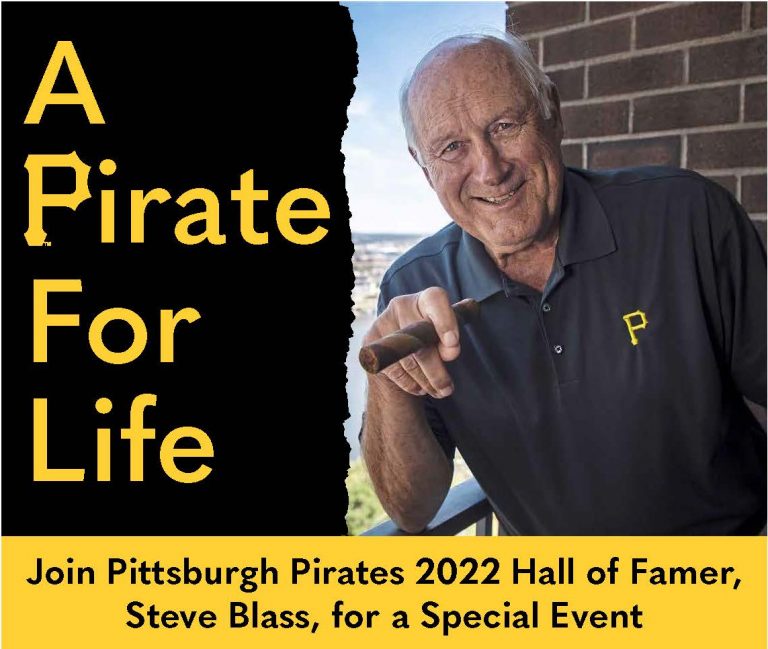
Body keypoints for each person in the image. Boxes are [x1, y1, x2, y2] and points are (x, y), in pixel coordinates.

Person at [359, 33, 767, 535]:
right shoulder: (413, 288)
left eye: (505, 125)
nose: (489, 169)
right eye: (451, 147)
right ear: (423, 166)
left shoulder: (687, 216)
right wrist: (387, 381)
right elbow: (411, 510)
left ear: (551, 110)